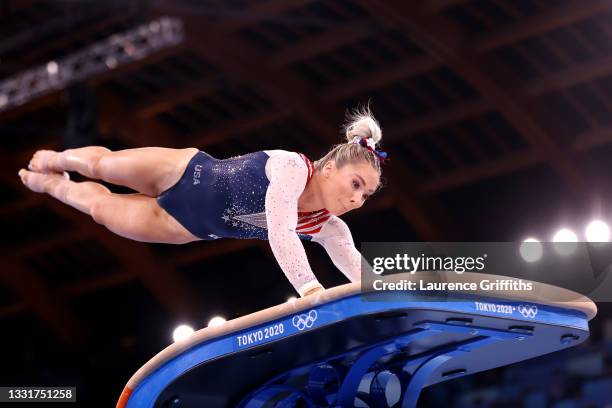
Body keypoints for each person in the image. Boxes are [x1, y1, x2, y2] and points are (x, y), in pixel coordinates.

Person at [18, 106, 386, 297]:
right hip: (184, 171)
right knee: (101, 165)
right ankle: (59, 159)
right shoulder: (293, 168)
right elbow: (280, 229)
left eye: (365, 195)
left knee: (99, 209)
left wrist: (398, 296)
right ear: (329, 168)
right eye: (355, 184)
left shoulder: (330, 228)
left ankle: (53, 187)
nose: (357, 200)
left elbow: (362, 277)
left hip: (183, 226)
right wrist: (310, 289)